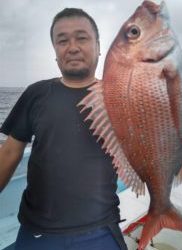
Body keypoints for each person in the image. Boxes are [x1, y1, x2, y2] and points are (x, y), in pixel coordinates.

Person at [0, 8, 127, 250]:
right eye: (62, 40)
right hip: (38, 231)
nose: (73, 47)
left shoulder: (120, 98)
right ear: (55, 51)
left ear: (98, 46)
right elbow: (8, 153)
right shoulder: (36, 93)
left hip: (101, 227)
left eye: (82, 38)